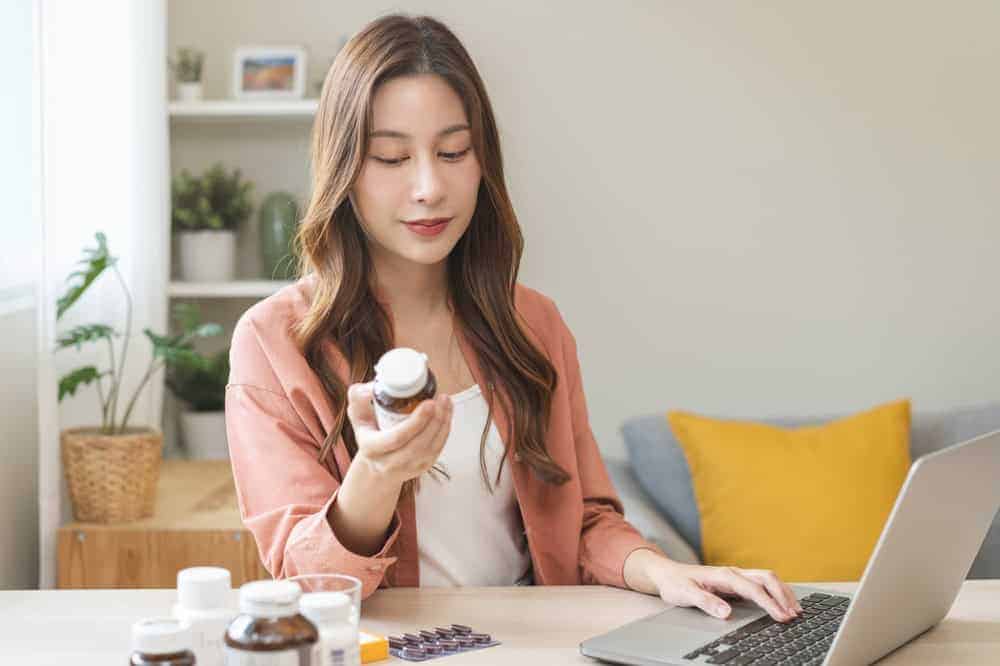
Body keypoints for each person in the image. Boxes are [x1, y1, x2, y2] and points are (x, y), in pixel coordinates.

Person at [225, 13, 802, 624]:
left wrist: (664, 571)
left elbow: (583, 523)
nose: (429, 186)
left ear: (481, 161)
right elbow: (309, 582)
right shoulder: (275, 342)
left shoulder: (533, 325)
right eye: (391, 158)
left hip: (534, 645)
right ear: (344, 169)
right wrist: (376, 473)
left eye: (452, 152)